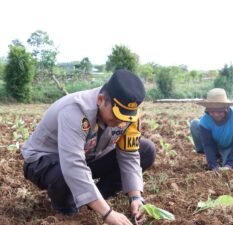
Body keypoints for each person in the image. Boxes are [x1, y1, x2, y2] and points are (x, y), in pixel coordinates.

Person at [22, 69, 156, 225]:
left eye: (125, 118)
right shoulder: (75, 110)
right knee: (65, 175)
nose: (121, 122)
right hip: (45, 162)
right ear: (100, 100)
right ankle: (66, 208)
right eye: (116, 115)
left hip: (88, 157)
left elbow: (129, 155)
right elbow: (73, 164)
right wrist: (107, 214)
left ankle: (96, 198)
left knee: (146, 150)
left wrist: (136, 197)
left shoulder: (129, 116)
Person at [190, 88, 233, 170]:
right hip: (221, 145)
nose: (216, 114)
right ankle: (218, 157)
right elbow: (208, 145)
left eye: (219, 111)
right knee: (195, 124)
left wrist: (229, 165)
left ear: (226, 108)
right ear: (208, 110)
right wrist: (213, 166)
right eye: (212, 111)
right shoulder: (205, 120)